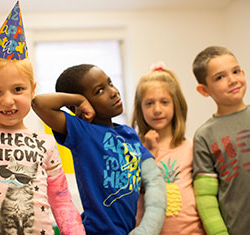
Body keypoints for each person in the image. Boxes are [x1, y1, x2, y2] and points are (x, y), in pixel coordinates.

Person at [0, 1, 84, 234]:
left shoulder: (45, 142)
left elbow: (60, 199)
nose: (7, 100)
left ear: (32, 90)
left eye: (18, 89)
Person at [31, 64, 166, 234]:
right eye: (99, 91)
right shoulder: (82, 132)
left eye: (110, 83)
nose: (113, 92)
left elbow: (146, 173)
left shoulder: (129, 134)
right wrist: (78, 101)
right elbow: (39, 103)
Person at [192, 46, 250, 235]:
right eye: (220, 77)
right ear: (203, 90)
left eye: (235, 71)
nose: (232, 80)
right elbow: (206, 198)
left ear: (243, 72)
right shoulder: (204, 136)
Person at [132, 62, 205, 235]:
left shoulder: (191, 146)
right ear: (139, 108)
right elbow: (134, 190)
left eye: (164, 102)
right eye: (149, 103)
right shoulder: (134, 150)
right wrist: (150, 153)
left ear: (176, 105)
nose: (157, 109)